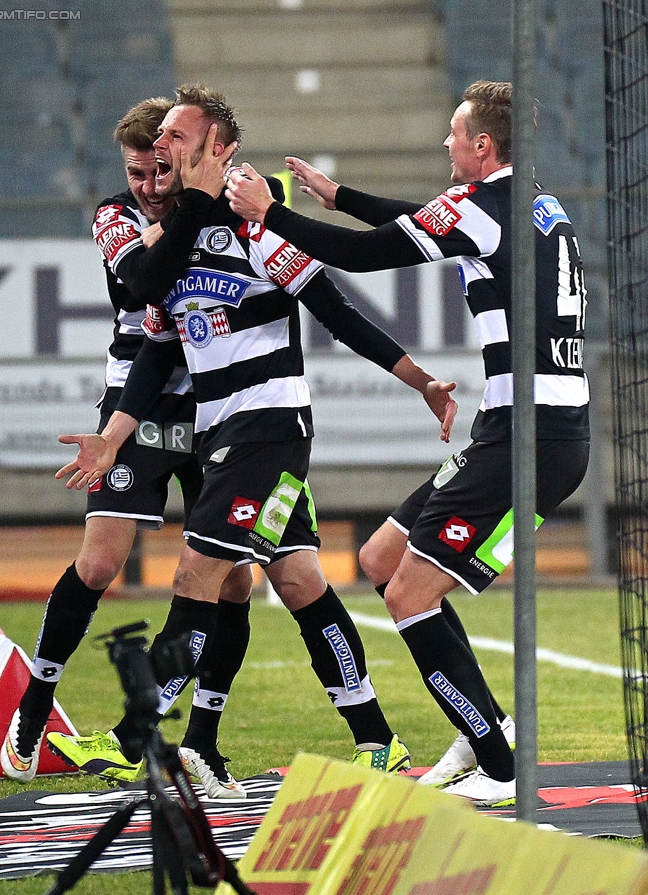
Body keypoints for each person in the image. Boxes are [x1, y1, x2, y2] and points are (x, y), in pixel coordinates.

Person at [58, 83, 458, 778]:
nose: (162, 147)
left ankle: (134, 740)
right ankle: (374, 739)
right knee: (301, 579)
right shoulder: (177, 235)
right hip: (224, 439)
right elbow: (157, 346)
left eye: (177, 137)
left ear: (219, 149)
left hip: (268, 429)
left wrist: (418, 378)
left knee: (197, 572)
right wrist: (116, 436)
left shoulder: (255, 222)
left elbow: (332, 306)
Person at [225, 80, 590, 807]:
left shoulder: (485, 208)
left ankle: (496, 757)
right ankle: (481, 723)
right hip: (520, 431)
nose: (445, 146)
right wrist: (340, 198)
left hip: (531, 437)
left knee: (408, 592)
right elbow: (421, 221)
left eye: (454, 135)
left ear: (482, 147)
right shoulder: (528, 203)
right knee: (381, 559)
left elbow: (364, 259)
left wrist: (270, 216)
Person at [0, 97, 254, 799]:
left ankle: (203, 739)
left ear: (182, 161)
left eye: (156, 170)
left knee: (235, 580)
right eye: (135, 172)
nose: (145, 184)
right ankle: (35, 702)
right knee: (101, 560)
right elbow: (146, 283)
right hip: (136, 405)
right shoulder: (116, 216)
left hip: (216, 404)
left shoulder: (215, 206)